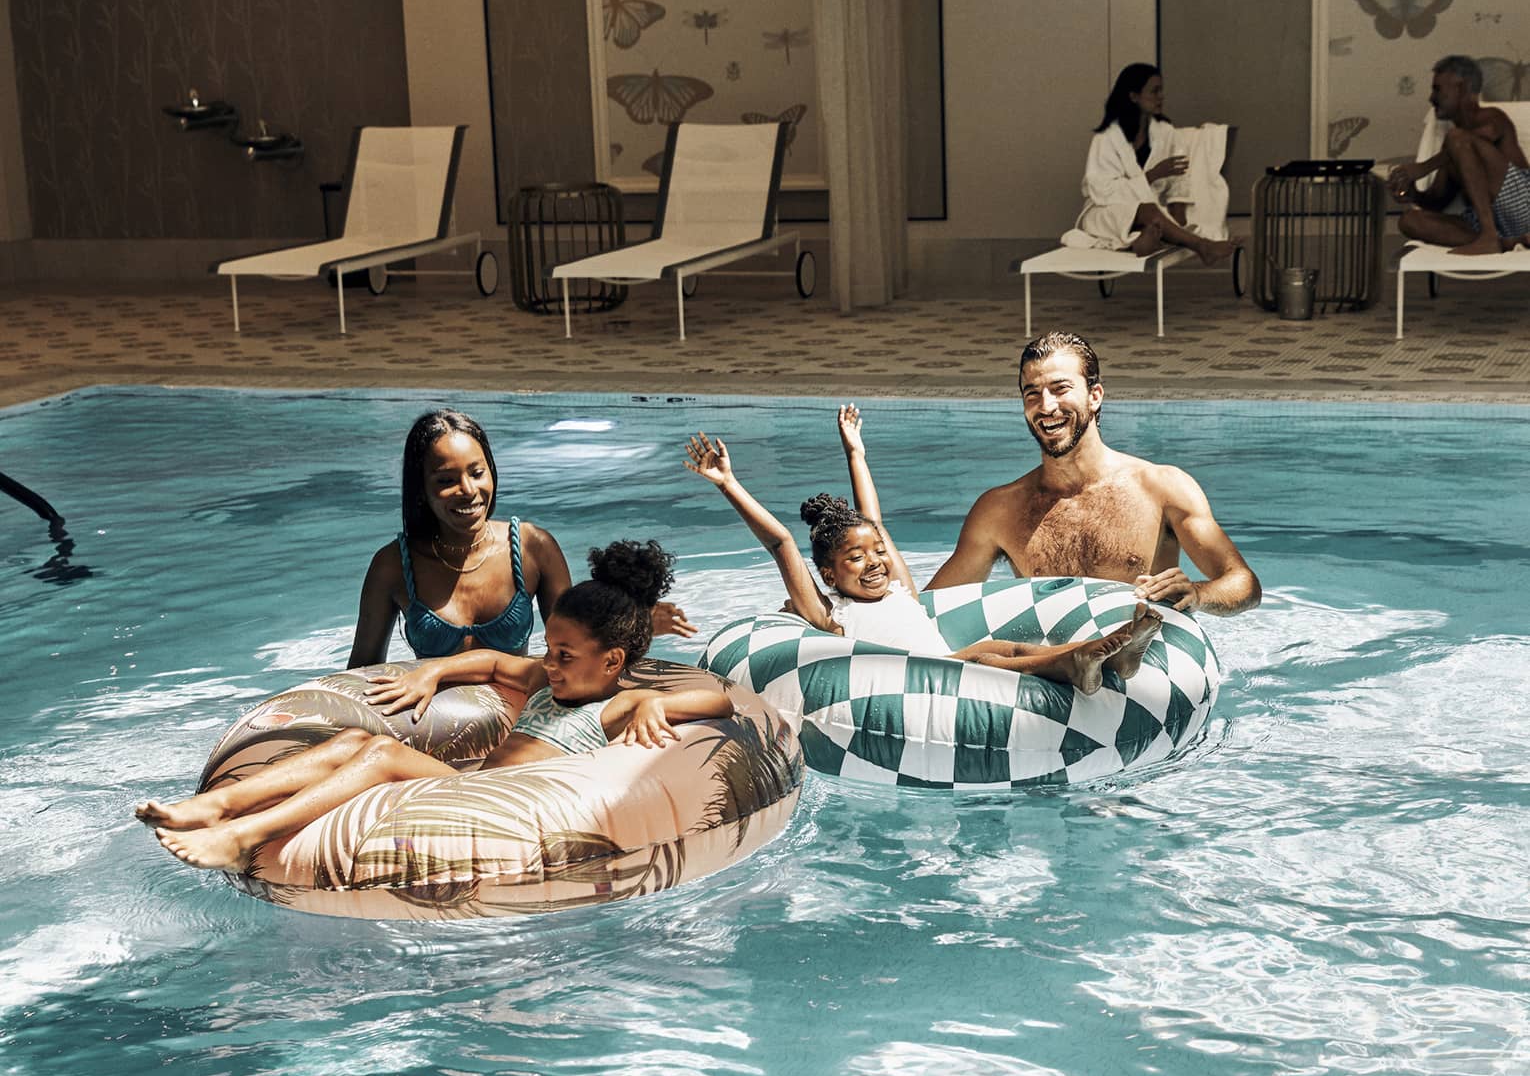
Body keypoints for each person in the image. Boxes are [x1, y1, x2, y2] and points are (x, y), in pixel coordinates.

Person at [139, 541, 731, 872]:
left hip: (507, 805)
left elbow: (721, 699)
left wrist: (656, 702)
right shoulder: (547, 681)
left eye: (565, 655)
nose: (550, 662)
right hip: (472, 782)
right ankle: (210, 805)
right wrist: (436, 670)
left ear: (611, 662)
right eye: (549, 648)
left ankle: (246, 835)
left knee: (379, 755)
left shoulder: (617, 707)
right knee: (351, 743)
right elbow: (495, 663)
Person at [684, 406, 1161, 693]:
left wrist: (856, 453)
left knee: (1007, 648)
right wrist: (728, 483)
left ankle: (1108, 658)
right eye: (855, 559)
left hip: (956, 662)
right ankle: (1080, 662)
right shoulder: (832, 614)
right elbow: (780, 542)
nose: (873, 562)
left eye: (876, 553)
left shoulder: (898, 590)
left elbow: (875, 524)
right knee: (985, 657)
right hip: (929, 682)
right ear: (829, 575)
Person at [928, 332, 1260, 617]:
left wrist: (1198, 594)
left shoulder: (1161, 488)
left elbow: (1243, 583)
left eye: (1060, 389)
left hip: (1144, 659)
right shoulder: (998, 510)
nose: (1046, 406)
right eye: (1032, 394)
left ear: (1095, 396)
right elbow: (932, 606)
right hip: (1053, 667)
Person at [347, 409, 693, 668]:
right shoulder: (393, 565)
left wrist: (638, 627)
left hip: (520, 712)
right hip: (433, 719)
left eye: (477, 473)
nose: (468, 491)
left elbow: (576, 648)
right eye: (445, 480)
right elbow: (362, 668)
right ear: (421, 490)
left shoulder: (531, 547)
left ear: (492, 472)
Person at [1075, 63, 1238, 265]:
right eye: (1154, 91)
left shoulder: (1165, 132)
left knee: (1154, 218)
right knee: (1148, 211)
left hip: (1152, 212)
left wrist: (1178, 214)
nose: (1161, 96)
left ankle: (1143, 239)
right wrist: (1152, 175)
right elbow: (1101, 190)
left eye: (1162, 90)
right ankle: (1202, 246)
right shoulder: (1106, 138)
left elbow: (1180, 178)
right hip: (1106, 212)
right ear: (1133, 96)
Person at [1388, 55, 1530, 256]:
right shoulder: (1453, 147)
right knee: (1409, 220)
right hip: (1490, 222)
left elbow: (1477, 136)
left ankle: (1489, 237)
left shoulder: (1493, 118)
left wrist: (1423, 167)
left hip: (1524, 206)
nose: (1431, 98)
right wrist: (1414, 194)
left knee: (1457, 138)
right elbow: (1438, 201)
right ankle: (1505, 241)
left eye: (1437, 89)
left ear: (1461, 88)